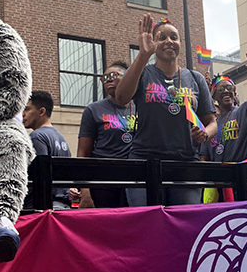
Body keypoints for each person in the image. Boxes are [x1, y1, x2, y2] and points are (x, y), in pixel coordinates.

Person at [114, 15, 218, 206]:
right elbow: (121, 98)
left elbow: (212, 122)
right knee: (146, 224)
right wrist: (143, 55)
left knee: (184, 227)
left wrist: (205, 133)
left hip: (186, 164)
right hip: (145, 162)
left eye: (174, 37)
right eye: (161, 37)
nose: (169, 41)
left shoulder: (195, 78)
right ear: (153, 42)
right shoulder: (143, 73)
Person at [77, 61, 135, 208]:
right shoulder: (93, 110)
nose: (108, 79)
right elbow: (83, 154)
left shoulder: (141, 107)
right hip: (103, 182)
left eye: (113, 75)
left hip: (134, 181)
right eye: (104, 78)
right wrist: (85, 193)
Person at [201, 51, 247, 164]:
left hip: (244, 172)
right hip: (220, 176)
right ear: (214, 95)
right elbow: (204, 156)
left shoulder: (244, 110)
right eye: (221, 89)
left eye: (230, 88)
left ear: (235, 93)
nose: (226, 91)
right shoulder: (210, 123)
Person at [22, 91, 72, 210]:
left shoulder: (36, 136)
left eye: (27, 109)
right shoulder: (61, 138)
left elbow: (38, 174)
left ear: (41, 111)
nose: (23, 114)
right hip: (62, 205)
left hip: (42, 206)